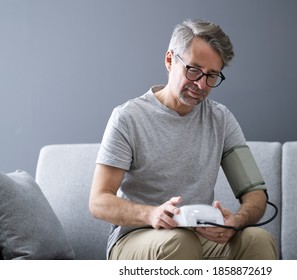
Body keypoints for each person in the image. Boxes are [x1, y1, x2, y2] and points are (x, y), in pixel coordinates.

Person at [89, 18, 278, 260]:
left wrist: (236, 221)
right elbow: (98, 201)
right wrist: (151, 214)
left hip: (196, 237)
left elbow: (255, 194)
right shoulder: (128, 117)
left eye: (212, 76)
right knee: (179, 241)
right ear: (170, 60)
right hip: (136, 238)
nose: (201, 84)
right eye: (194, 70)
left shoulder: (220, 119)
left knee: (258, 240)